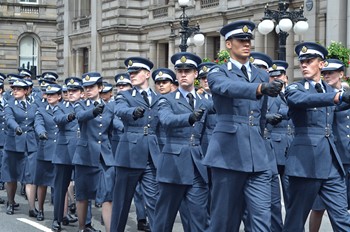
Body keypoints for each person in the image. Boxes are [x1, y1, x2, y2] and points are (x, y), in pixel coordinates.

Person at [202, 20, 283, 232]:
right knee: (224, 221)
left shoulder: (261, 73)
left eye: (249, 40)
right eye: (240, 40)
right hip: (228, 154)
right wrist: (259, 88)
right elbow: (227, 87)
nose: (246, 44)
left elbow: (262, 115)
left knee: (261, 220)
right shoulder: (217, 72)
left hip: (257, 155)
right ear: (228, 44)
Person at [283, 42, 350, 231]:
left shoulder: (330, 91)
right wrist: (337, 97)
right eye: (302, 61)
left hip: (331, 164)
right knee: (295, 220)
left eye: (309, 61)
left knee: (342, 217)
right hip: (304, 164)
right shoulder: (295, 89)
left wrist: (342, 97)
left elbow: (341, 106)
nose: (304, 64)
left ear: (321, 64)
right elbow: (302, 100)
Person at [154, 52, 213, 232]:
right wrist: (188, 117)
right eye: (180, 71)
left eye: (187, 71)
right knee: (164, 219)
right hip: (173, 166)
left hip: (197, 165)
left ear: (196, 74)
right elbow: (166, 119)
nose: (183, 74)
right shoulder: (167, 99)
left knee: (199, 219)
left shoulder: (205, 100)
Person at [111, 57, 160, 232]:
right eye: (130, 73)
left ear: (147, 74)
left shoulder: (159, 97)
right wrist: (133, 112)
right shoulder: (124, 95)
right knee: (122, 203)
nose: (132, 75)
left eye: (136, 72)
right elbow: (119, 110)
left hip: (151, 158)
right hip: (129, 156)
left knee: (154, 203)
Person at [308, 58, 350, 232]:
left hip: (348, 155)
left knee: (343, 206)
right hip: (331, 158)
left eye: (330, 73)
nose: (327, 76)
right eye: (324, 73)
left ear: (341, 74)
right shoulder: (320, 95)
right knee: (319, 206)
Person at [73, 72, 115, 232]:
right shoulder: (80, 104)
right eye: (86, 87)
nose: (88, 90)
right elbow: (80, 117)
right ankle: (83, 227)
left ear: (100, 88)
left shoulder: (109, 107)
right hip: (85, 156)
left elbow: (112, 128)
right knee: (83, 196)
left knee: (107, 196)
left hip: (104, 157)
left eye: (92, 87)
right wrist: (94, 112)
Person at [2, 79, 38, 216]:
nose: (15, 91)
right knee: (11, 176)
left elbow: (37, 121)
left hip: (29, 145)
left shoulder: (33, 105)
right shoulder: (9, 105)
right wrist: (16, 127)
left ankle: (31, 208)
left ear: (26, 91)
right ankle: (10, 202)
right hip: (13, 145)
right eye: (14, 88)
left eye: (18, 89)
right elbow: (9, 119)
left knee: (30, 176)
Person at [52, 77, 83, 231]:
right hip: (64, 153)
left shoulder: (85, 106)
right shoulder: (60, 107)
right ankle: (57, 218)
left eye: (74, 91)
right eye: (68, 91)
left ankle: (85, 222)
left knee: (84, 188)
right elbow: (58, 119)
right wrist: (69, 116)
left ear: (82, 93)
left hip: (82, 151)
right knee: (60, 188)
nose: (70, 93)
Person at [34, 83, 62, 221]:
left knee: (59, 184)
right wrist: (41, 132)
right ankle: (40, 209)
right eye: (47, 94)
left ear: (59, 96)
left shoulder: (65, 109)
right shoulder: (41, 110)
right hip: (45, 149)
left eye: (52, 95)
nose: (49, 97)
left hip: (61, 151)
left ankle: (60, 214)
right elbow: (38, 123)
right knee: (42, 182)